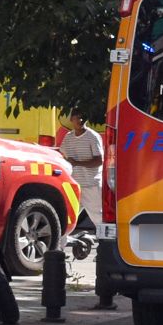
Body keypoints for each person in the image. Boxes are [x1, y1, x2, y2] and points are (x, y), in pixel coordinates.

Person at [58, 116, 108, 309]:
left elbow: (99, 160)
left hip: (91, 185)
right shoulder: (68, 138)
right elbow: (63, 156)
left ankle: (105, 252)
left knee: (100, 220)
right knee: (66, 221)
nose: (79, 120)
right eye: (76, 116)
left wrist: (77, 163)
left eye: (82, 117)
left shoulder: (93, 137)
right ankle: (59, 259)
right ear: (71, 119)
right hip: (73, 185)